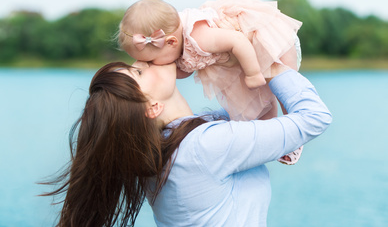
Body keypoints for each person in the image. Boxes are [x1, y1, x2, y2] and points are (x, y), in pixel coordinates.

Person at [42, 60, 332, 227]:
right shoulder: (203, 146)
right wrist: (267, 60)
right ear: (152, 106)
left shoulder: (170, 144)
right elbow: (315, 117)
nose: (144, 61)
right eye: (139, 72)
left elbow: (243, 115)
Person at [117, 0, 303, 164]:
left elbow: (238, 41)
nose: (150, 65)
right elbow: (188, 68)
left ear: (171, 42)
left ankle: (294, 133)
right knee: (256, 104)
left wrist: (253, 73)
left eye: (150, 60)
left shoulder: (200, 36)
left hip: (266, 40)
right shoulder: (175, 46)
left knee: (284, 88)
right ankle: (270, 139)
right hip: (240, 60)